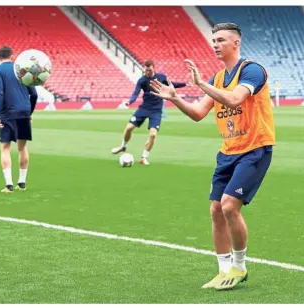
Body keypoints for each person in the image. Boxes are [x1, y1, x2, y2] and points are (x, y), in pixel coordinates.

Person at [150, 23, 276, 290]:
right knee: (216, 210)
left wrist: (200, 84)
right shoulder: (218, 78)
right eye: (213, 40)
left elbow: (234, 100)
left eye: (220, 40)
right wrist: (175, 98)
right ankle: (222, 270)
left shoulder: (252, 70)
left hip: (255, 149)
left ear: (236, 43)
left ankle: (239, 267)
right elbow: (197, 113)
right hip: (228, 152)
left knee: (230, 206)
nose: (215, 44)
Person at [111, 59, 190, 165]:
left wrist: (185, 84)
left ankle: (144, 157)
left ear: (153, 68)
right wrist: (129, 102)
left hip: (156, 111)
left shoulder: (161, 77)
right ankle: (123, 146)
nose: (147, 72)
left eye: (149, 70)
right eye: (146, 70)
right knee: (129, 127)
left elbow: (173, 84)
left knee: (153, 134)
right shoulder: (142, 80)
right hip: (144, 108)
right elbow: (136, 93)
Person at [0, 46, 38, 193]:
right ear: (13, 56)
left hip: (8, 113)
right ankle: (22, 183)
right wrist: (29, 112)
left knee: (5, 147)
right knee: (22, 147)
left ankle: (9, 185)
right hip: (24, 111)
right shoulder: (21, 69)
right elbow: (34, 94)